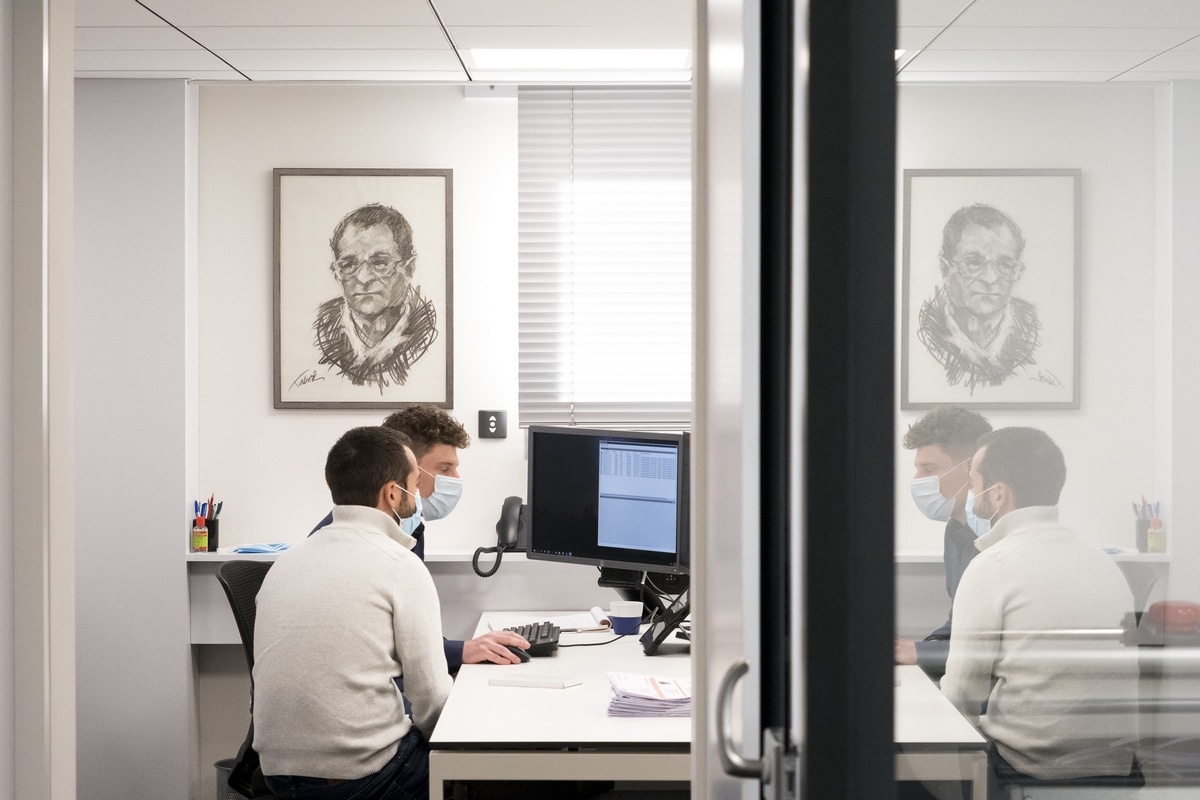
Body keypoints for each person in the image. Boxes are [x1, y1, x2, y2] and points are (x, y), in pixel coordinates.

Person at [254, 426, 453, 799]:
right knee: (479, 774)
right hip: (363, 775)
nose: (419, 497)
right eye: (414, 483)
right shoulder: (400, 565)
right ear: (392, 493)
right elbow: (431, 697)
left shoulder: (286, 562)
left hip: (277, 775)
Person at [941, 427, 1138, 783]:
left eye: (973, 484)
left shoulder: (992, 565)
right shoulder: (1102, 562)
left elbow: (961, 693)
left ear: (998, 494)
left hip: (1033, 767)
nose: (970, 494)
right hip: (1115, 765)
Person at [312, 405, 528, 667]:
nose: (456, 479)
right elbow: (389, 649)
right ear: (405, 470)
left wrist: (460, 650)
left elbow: (408, 635)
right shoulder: (353, 550)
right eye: (445, 469)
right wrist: (461, 652)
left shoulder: (408, 528)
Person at [894, 406, 992, 679]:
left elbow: (1001, 646)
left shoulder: (1001, 536)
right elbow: (960, 623)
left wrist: (921, 654)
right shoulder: (955, 530)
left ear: (971, 467)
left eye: (928, 469)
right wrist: (924, 646)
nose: (917, 481)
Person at [917, 204, 1040, 392]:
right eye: (974, 263)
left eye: (1005, 265)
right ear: (944, 268)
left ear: (1018, 272)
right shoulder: (925, 338)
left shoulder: (1034, 333)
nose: (990, 278)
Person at [314, 203, 438, 388]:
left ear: (409, 268)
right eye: (348, 265)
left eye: (380, 263)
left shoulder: (429, 335)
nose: (363, 278)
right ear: (336, 272)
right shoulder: (320, 331)